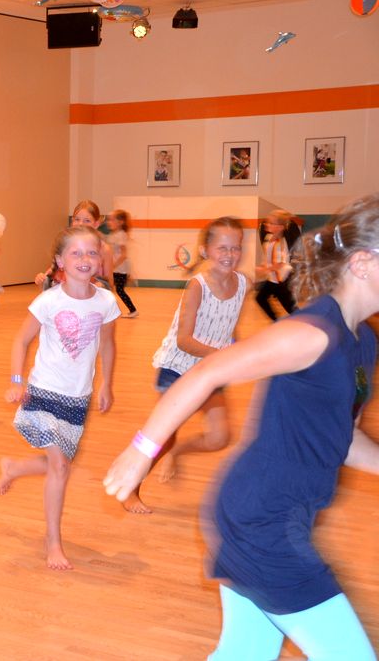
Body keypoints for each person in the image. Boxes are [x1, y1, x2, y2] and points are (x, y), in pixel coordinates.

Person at [104, 195, 379, 658]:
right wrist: (140, 450)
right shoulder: (312, 333)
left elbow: (344, 439)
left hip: (284, 513)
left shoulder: (362, 341)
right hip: (261, 521)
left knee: (245, 652)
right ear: (363, 263)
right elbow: (207, 372)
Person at [0, 225, 118, 570]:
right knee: (60, 467)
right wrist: (16, 381)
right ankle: (53, 542)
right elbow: (21, 340)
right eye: (76, 253)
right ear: (60, 261)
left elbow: (108, 346)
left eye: (91, 252)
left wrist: (107, 384)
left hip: (78, 398)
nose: (84, 259)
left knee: (59, 464)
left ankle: (14, 468)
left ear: (100, 260)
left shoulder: (106, 302)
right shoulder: (48, 301)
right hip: (43, 392)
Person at [121, 216, 248, 513]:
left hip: (211, 370)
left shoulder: (243, 283)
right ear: (205, 250)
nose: (230, 254)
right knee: (162, 437)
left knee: (219, 437)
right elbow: (184, 341)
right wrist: (224, 355)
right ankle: (130, 488)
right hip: (178, 368)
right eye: (222, 248)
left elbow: (230, 326)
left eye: (236, 247)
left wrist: (237, 350)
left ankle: (178, 451)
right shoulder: (197, 286)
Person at [254, 209, 298, 320]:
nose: (267, 225)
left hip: (280, 281)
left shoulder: (281, 243)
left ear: (280, 227)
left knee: (292, 309)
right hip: (272, 280)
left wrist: (265, 269)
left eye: (271, 223)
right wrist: (263, 266)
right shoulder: (268, 238)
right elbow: (268, 259)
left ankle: (306, 321)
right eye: (267, 222)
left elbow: (280, 264)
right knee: (260, 298)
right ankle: (276, 321)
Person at [106, 209, 138, 318]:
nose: (109, 222)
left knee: (119, 290)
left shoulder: (121, 235)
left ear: (120, 222)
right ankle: (112, 311)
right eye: (108, 220)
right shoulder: (113, 234)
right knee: (111, 289)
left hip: (120, 268)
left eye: (112, 220)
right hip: (115, 267)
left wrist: (113, 266)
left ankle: (133, 310)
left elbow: (123, 255)